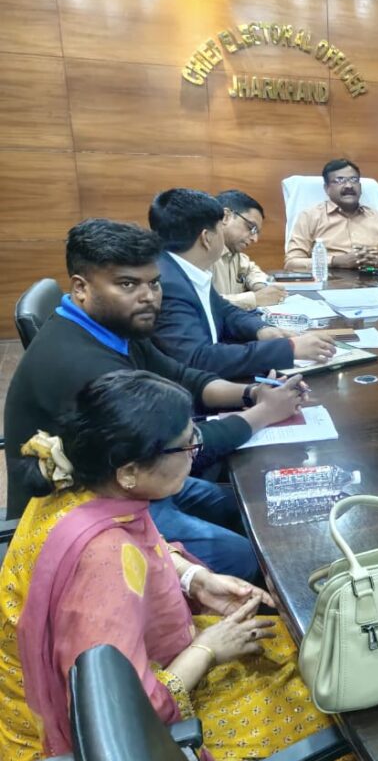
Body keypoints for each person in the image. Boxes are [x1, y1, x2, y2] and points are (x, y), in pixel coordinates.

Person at [0, 370, 353, 761]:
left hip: (145, 664)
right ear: (130, 471)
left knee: (298, 649)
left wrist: (192, 578)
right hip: (121, 741)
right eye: (186, 445)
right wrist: (207, 650)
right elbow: (119, 714)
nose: (195, 452)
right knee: (334, 704)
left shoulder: (77, 484)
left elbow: (142, 548)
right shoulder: (103, 562)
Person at [4, 219, 306, 580]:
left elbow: (181, 376)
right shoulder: (85, 366)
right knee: (244, 556)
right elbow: (177, 447)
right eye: (128, 284)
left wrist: (250, 393)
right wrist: (263, 414)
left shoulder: (112, 326)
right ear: (81, 288)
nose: (149, 296)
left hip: (132, 476)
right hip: (84, 507)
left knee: (246, 507)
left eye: (154, 282)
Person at [149, 188, 336, 379]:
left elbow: (225, 311)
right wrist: (289, 349)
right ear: (207, 238)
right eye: (220, 229)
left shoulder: (185, 270)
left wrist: (263, 330)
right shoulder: (166, 285)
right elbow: (200, 359)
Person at [285, 158, 378, 271]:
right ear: (327, 188)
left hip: (374, 282)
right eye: (340, 180)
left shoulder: (377, 218)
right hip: (329, 283)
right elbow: (292, 263)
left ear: (360, 186)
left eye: (354, 180)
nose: (349, 186)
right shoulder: (309, 217)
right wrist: (335, 261)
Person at [211, 189, 288, 309]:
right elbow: (200, 303)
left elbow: (251, 270)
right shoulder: (200, 253)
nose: (254, 239)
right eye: (251, 227)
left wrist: (260, 286)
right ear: (226, 217)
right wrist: (255, 299)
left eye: (257, 232)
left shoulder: (233, 253)